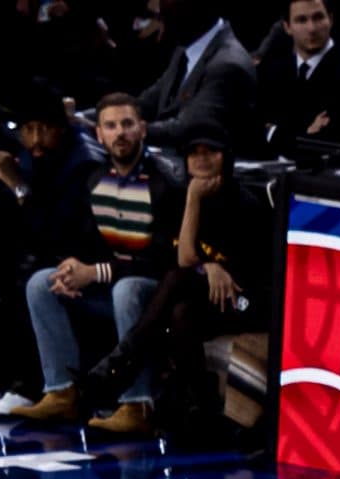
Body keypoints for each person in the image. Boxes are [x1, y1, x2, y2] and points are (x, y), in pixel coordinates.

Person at [77, 127, 265, 437]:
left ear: (226, 158)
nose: (202, 160)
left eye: (210, 152)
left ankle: (119, 363)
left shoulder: (244, 204)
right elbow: (185, 258)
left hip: (246, 299)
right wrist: (194, 203)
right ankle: (199, 412)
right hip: (204, 295)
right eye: (195, 153)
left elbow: (191, 263)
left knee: (179, 279)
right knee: (180, 313)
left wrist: (208, 267)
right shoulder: (182, 196)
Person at [10, 93, 183, 426]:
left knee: (127, 289)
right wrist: (73, 267)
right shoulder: (95, 179)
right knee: (41, 283)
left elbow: (162, 261)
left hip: (153, 292)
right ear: (99, 134)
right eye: (111, 125)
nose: (120, 133)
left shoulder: (165, 182)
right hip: (110, 281)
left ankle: (139, 403)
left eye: (128, 124)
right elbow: (88, 243)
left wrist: (96, 272)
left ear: (143, 130)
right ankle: (62, 392)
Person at [137, 0, 259, 155]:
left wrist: (125, 130)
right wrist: (103, 115)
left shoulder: (227, 65)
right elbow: (146, 103)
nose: (158, 6)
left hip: (210, 172)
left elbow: (187, 128)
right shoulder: (184, 51)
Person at [258, 0, 340, 154]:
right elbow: (253, 132)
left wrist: (274, 133)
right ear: (287, 27)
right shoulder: (274, 71)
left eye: (318, 18)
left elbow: (326, 147)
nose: (311, 28)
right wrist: (305, 133)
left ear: (330, 20)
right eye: (301, 20)